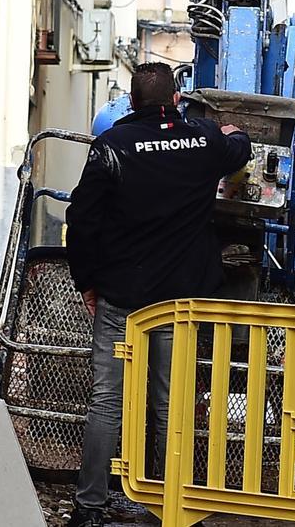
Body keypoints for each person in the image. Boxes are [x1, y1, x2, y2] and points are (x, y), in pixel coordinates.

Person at [64, 62, 252, 527]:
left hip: (121, 295)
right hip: (178, 300)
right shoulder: (203, 141)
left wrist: (86, 280)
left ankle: (89, 507)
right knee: (170, 403)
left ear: (131, 103)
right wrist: (228, 128)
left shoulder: (111, 147)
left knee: (107, 400)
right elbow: (239, 148)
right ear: (175, 99)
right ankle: (170, 508)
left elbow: (83, 220)